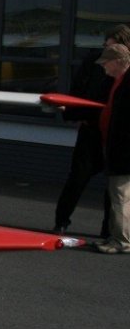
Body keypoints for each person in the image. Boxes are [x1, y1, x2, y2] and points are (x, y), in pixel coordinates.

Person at [52, 26, 130, 234]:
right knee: (78, 177)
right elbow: (79, 88)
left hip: (116, 135)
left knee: (114, 187)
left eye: (112, 47)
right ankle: (61, 221)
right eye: (106, 46)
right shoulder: (94, 61)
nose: (107, 52)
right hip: (92, 128)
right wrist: (74, 111)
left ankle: (108, 230)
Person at [94, 43, 130, 254]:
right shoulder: (121, 81)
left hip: (124, 151)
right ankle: (118, 237)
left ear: (117, 62)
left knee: (120, 197)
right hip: (120, 148)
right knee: (122, 196)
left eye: (106, 62)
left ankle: (121, 241)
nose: (104, 67)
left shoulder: (126, 83)